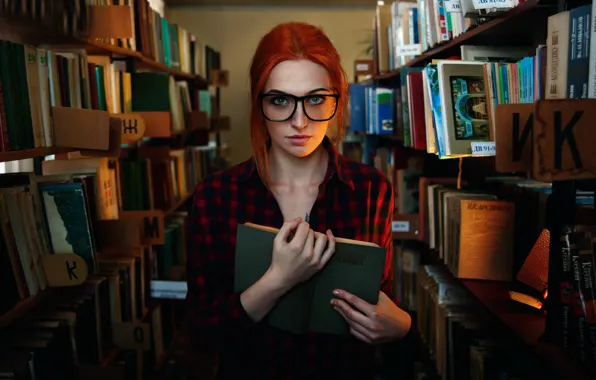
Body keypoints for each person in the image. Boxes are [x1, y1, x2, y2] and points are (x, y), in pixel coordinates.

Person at [186, 21, 412, 380]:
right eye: (280, 101)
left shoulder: (372, 188)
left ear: (337, 99)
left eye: (316, 100)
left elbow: (377, 298)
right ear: (260, 104)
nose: (299, 121)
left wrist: (401, 325)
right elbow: (200, 330)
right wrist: (278, 279)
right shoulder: (215, 195)